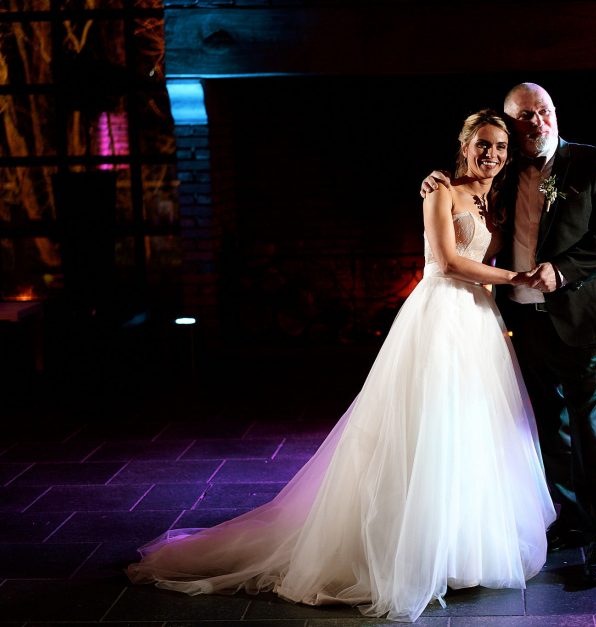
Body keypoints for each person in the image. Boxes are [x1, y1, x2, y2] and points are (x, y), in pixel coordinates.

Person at [127, 109, 556, 623]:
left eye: (501, 148)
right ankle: (412, 548)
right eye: (483, 145)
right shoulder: (440, 192)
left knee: (471, 434)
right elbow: (446, 261)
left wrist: (499, 304)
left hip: (478, 322)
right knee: (427, 432)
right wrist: (516, 277)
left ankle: (463, 550)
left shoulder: (497, 201)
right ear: (464, 146)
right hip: (439, 316)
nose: (492, 155)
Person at [421, 82, 596, 584]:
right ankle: (567, 520)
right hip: (522, 316)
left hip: (582, 316)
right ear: (513, 126)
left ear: (554, 115)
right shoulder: (507, 168)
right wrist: (436, 181)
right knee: (547, 425)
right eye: (524, 117)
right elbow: (465, 196)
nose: (535, 123)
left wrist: (562, 271)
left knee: (587, 426)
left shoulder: (591, 162)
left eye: (543, 112)